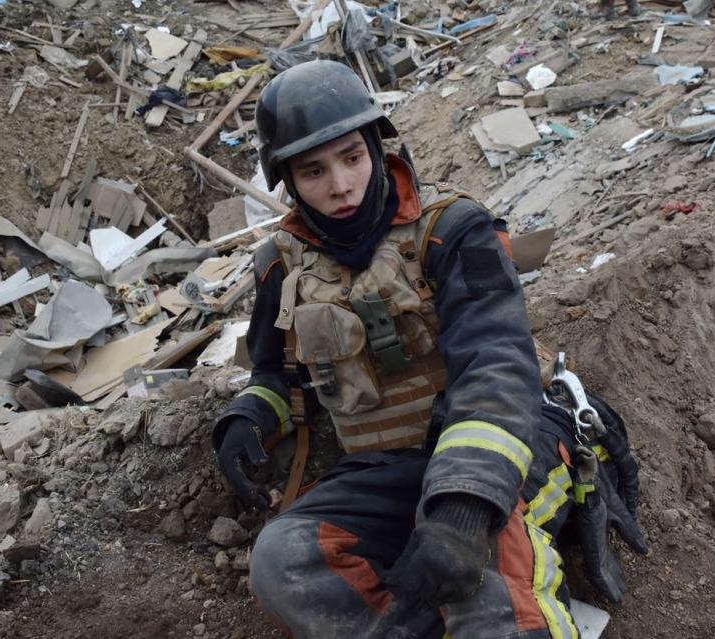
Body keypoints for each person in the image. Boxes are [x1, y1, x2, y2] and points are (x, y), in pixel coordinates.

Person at [212, 59, 645, 639]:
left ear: (375, 146)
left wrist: (464, 508)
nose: (339, 185)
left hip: (512, 449)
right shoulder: (279, 265)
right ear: (289, 180)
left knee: (485, 569)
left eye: (351, 157)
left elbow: (496, 366)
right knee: (284, 559)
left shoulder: (454, 230)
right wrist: (250, 414)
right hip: (387, 469)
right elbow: (279, 374)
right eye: (313, 171)